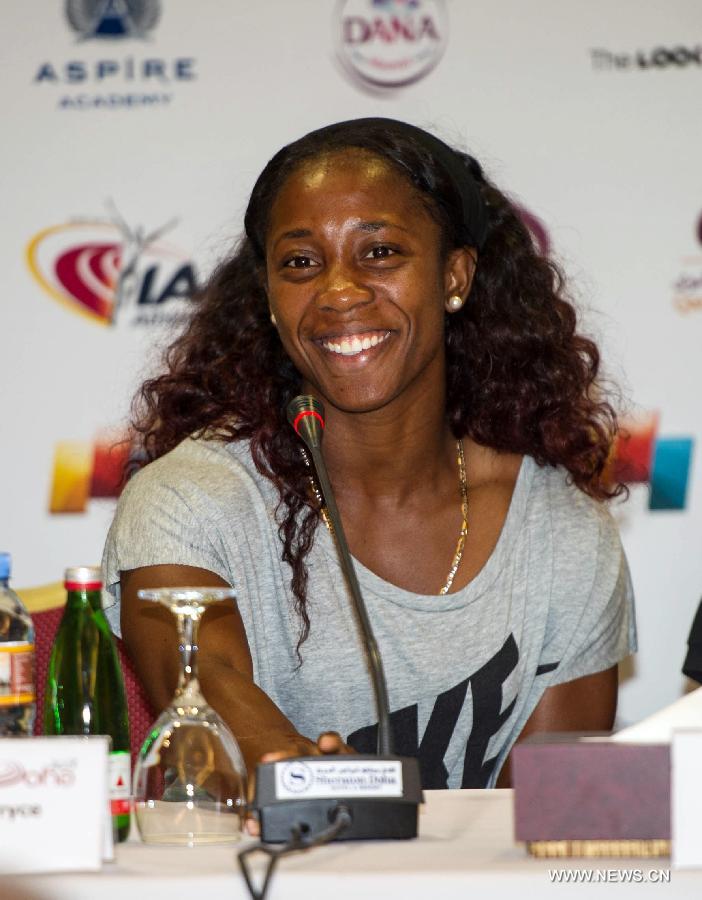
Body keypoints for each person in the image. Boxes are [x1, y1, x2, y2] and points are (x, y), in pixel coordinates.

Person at [103, 118, 636, 789]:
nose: (338, 291)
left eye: (379, 252)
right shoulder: (188, 502)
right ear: (268, 297)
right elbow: (210, 695)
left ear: (455, 276)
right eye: (299, 262)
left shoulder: (561, 532)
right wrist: (305, 775)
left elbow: (555, 823)